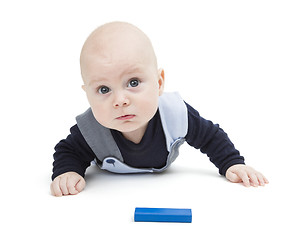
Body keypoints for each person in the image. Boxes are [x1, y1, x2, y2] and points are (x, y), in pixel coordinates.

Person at [50, 21, 269, 197]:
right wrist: (68, 172)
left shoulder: (175, 114)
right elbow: (67, 151)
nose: (120, 100)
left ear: (159, 82)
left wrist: (231, 163)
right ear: (87, 94)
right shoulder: (92, 128)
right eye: (104, 89)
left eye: (133, 82)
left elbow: (211, 137)